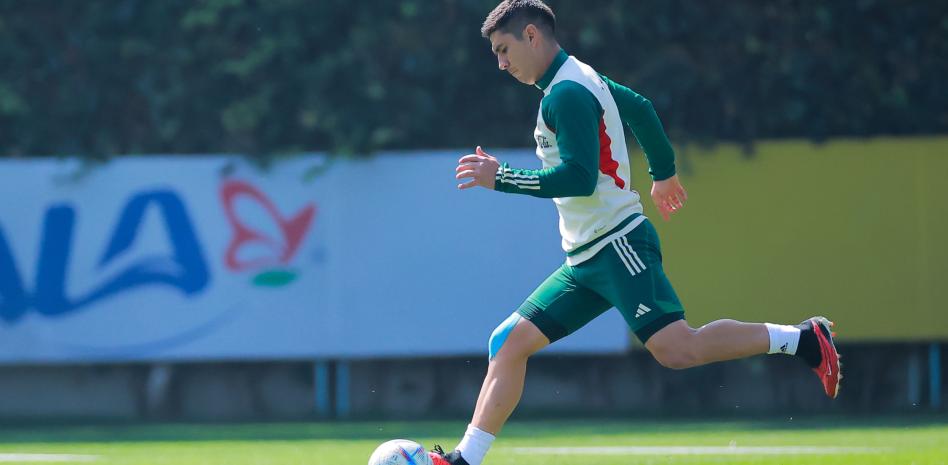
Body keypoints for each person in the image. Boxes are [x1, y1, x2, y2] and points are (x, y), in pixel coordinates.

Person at [430, 2, 841, 465]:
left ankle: (802, 339)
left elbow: (579, 177)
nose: (501, 64)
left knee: (678, 349)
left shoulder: (565, 94)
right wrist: (662, 172)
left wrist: (501, 177)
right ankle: (465, 459)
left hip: (616, 245)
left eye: (503, 50)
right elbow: (641, 109)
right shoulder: (580, 77)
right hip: (586, 258)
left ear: (531, 35)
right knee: (507, 342)